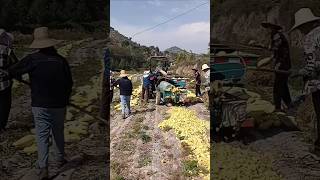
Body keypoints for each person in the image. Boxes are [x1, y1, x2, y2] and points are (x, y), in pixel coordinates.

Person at [8, 27, 73, 179]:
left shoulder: (32, 59)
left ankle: (43, 167)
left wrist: (19, 76)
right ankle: (59, 159)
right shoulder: (61, 60)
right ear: (52, 44)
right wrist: (66, 98)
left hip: (40, 104)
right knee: (58, 132)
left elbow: (12, 70)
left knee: (42, 135)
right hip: (59, 104)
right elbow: (69, 83)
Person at [289, 8, 320, 154]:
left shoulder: (310, 38)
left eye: (301, 27)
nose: (300, 31)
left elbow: (312, 66)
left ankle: (318, 147)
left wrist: (299, 73)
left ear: (305, 25)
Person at [261, 19, 292, 112]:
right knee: (283, 86)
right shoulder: (274, 36)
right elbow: (274, 51)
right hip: (283, 64)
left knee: (277, 87)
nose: (267, 29)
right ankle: (290, 105)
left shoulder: (277, 36)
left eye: (269, 27)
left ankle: (277, 108)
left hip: (283, 65)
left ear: (273, 27)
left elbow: (277, 50)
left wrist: (277, 63)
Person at [0, 29, 19, 132]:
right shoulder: (7, 50)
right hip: (4, 83)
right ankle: (1, 126)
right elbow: (16, 65)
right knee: (4, 104)